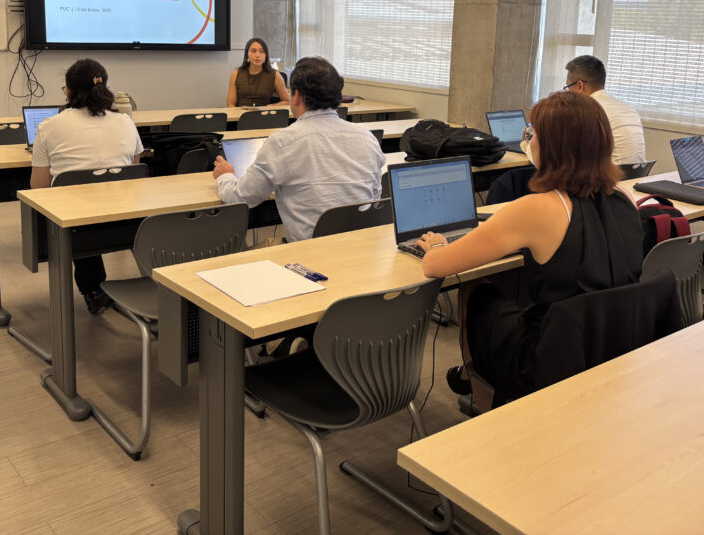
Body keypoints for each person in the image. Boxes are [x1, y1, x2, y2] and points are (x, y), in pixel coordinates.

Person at [417, 92, 643, 403]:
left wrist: (436, 246)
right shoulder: (624, 198)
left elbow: (435, 266)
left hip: (551, 354)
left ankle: (478, 389)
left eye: (533, 133)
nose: (529, 140)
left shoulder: (537, 208)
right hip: (614, 343)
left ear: (552, 145)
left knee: (474, 289)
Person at [214, 56, 384, 241]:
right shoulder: (367, 138)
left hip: (308, 254)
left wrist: (226, 176)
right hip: (360, 249)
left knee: (242, 253)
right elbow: (374, 196)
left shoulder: (282, 143)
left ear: (296, 96)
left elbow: (241, 198)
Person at [30, 58, 144, 314]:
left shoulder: (49, 126)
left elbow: (39, 188)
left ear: (68, 91)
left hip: (77, 231)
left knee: (73, 204)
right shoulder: (126, 121)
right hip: (128, 222)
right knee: (93, 198)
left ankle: (93, 289)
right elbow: (135, 170)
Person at [564, 55, 645, 165]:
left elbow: (570, 153)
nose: (568, 93)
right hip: (636, 175)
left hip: (608, 175)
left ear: (580, 86)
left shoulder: (588, 110)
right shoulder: (628, 108)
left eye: (568, 87)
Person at [226, 37, 290, 107]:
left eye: (261, 51)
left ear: (266, 55)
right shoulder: (235, 74)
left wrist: (272, 106)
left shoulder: (275, 75)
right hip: (240, 113)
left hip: (264, 113)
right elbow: (230, 104)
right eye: (253, 51)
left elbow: (287, 101)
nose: (257, 55)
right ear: (247, 54)